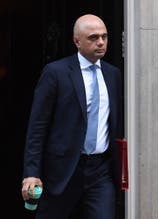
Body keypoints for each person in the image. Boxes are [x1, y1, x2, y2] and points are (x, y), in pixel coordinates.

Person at [21, 14, 122, 218]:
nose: (101, 42)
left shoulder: (113, 74)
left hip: (100, 171)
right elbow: (37, 127)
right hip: (62, 171)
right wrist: (31, 173)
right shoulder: (56, 72)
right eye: (93, 37)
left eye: (104, 36)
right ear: (77, 41)